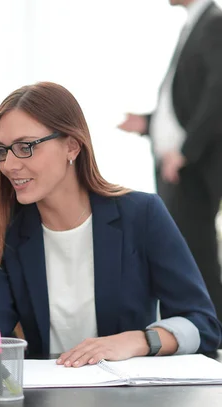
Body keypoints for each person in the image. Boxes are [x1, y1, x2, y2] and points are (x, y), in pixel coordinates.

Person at [0, 82, 222, 367]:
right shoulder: (11, 229)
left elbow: (202, 323)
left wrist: (137, 340)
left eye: (25, 147)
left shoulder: (141, 214)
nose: (10, 165)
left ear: (72, 146)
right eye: (2, 150)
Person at [118, 0, 222, 320]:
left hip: (191, 167)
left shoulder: (213, 23)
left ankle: (209, 335)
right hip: (175, 164)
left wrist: (186, 151)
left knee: (195, 257)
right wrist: (150, 124)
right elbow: (189, 98)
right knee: (181, 255)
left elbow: (218, 93)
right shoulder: (195, 23)